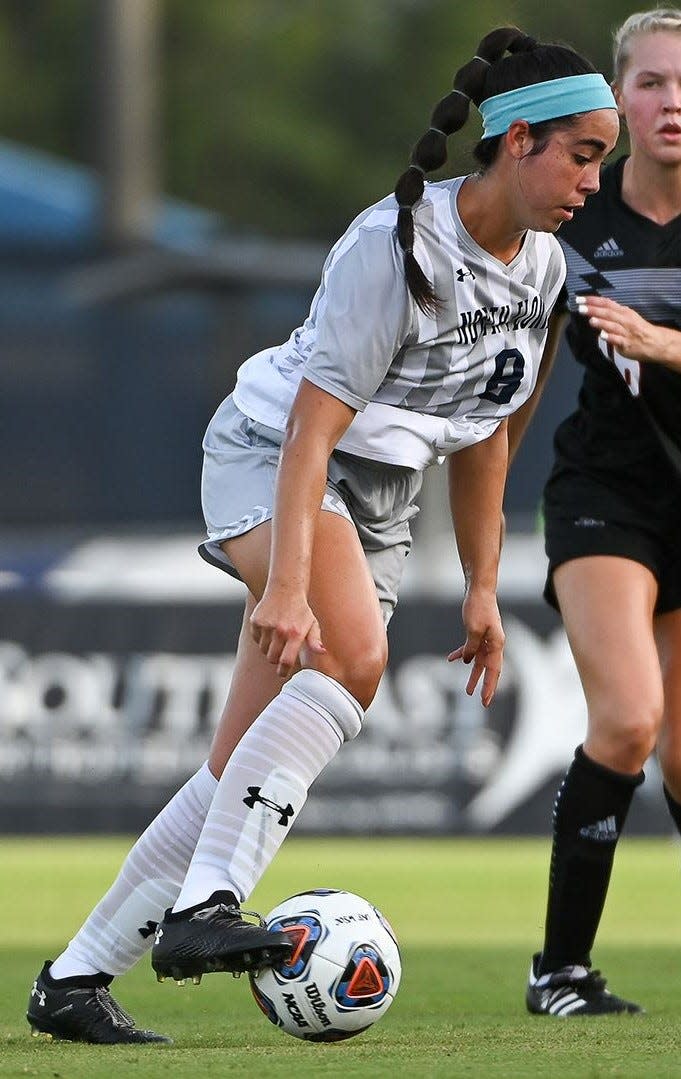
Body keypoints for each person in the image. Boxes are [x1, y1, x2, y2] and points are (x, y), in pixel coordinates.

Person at [26, 27, 619, 1044]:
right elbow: (310, 426)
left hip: (379, 501)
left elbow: (484, 437)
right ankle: (206, 907)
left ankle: (75, 978)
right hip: (274, 453)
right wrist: (289, 585)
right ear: (516, 139)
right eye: (584, 153)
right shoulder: (396, 244)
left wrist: (482, 585)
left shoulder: (546, 270)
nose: (592, 181)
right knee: (352, 655)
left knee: (230, 774)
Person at [526, 8, 681, 1018]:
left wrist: (668, 348)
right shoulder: (571, 222)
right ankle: (561, 974)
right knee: (626, 721)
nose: (675, 105)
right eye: (655, 84)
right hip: (606, 497)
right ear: (618, 102)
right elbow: (516, 377)